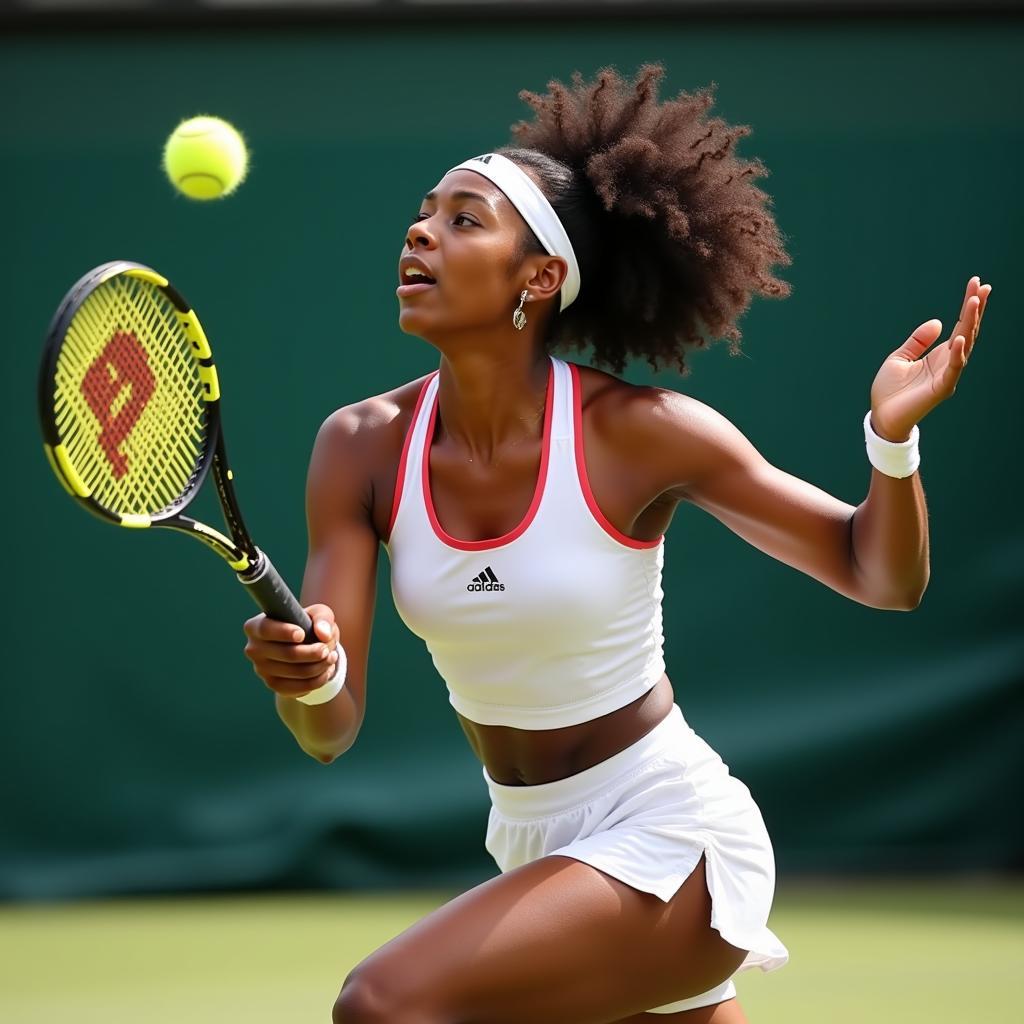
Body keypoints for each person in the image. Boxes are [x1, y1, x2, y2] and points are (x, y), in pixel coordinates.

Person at [242, 64, 989, 1024]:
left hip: (669, 834)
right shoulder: (359, 447)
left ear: (541, 278)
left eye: (466, 219)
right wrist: (304, 677)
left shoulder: (639, 431)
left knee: (381, 1005)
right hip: (530, 844)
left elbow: (878, 573)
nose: (420, 231)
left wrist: (891, 441)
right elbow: (331, 728)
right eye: (422, 214)